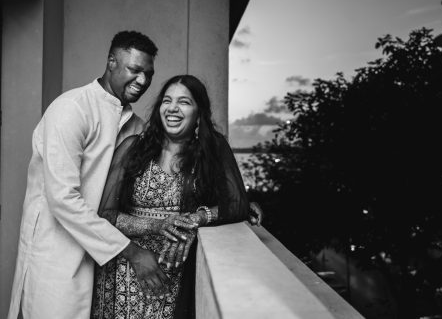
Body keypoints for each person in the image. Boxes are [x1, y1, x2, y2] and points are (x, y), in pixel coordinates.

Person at [7, 31, 168, 319]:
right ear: (111, 62)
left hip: (103, 263)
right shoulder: (72, 109)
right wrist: (132, 251)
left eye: (148, 74)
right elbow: (63, 200)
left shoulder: (136, 126)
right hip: (55, 257)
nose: (142, 81)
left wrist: (234, 204)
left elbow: (173, 165)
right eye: (134, 70)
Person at [91, 74, 256, 318]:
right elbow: (105, 215)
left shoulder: (212, 150)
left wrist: (197, 218)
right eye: (167, 101)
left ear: (199, 113)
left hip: (172, 277)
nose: (173, 108)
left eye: (184, 102)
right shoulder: (132, 147)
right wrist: (158, 225)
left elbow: (236, 204)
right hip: (124, 269)